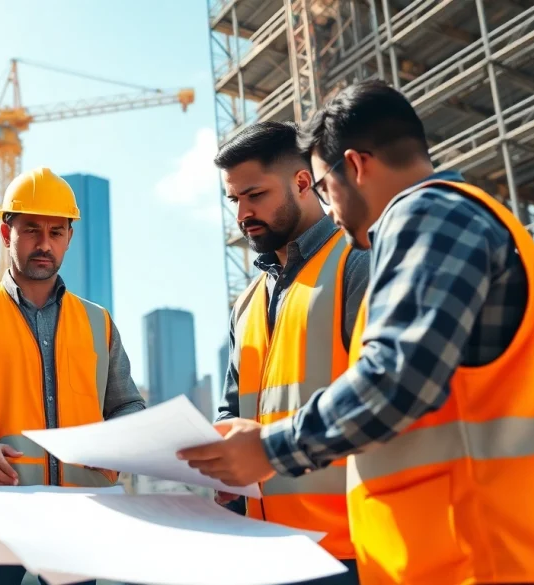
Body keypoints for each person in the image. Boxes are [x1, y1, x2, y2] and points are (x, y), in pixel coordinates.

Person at [179, 80, 534, 585]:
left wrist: (267, 450)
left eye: (326, 188)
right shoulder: (453, 219)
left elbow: (396, 376)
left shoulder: (429, 215)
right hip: (471, 550)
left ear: (356, 166)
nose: (330, 209)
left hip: (483, 554)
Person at [0, 167, 146, 585]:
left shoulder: (98, 322)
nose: (44, 244)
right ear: (6, 233)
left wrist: (115, 445)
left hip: (80, 513)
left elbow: (128, 404)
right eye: (31, 230)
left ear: (69, 237)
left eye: (56, 232)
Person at [212, 120, 367, 584]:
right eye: (233, 200)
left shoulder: (355, 263)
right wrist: (222, 471)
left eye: (254, 195)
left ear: (303, 183)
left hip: (349, 549)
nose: (242, 213)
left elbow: (383, 394)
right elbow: (232, 406)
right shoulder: (246, 303)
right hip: (267, 550)